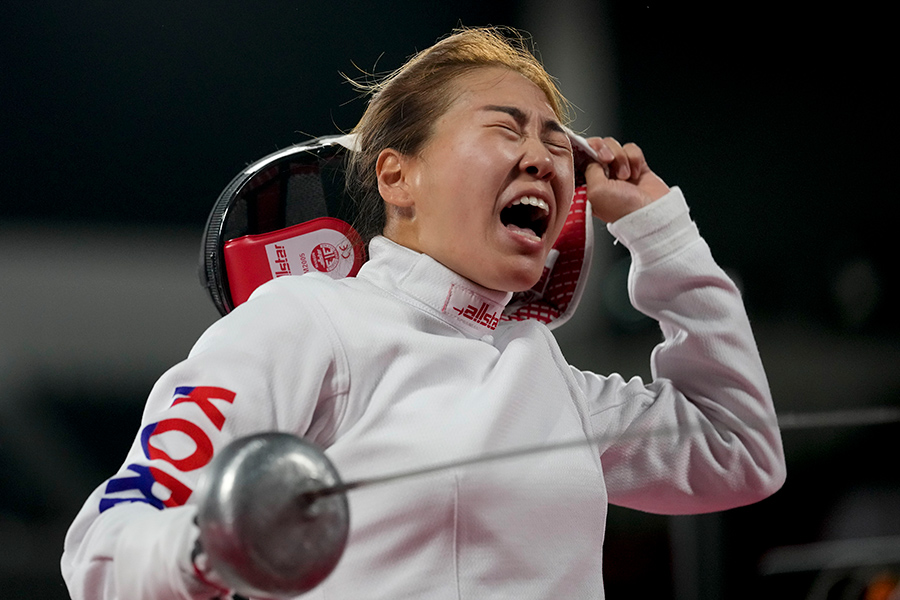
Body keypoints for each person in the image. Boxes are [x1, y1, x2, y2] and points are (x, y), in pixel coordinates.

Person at [61, 26, 786, 600]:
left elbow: (740, 452)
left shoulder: (548, 375)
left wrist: (664, 236)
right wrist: (205, 546)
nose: (542, 158)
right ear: (398, 176)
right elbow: (104, 549)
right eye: (507, 128)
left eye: (554, 142)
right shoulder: (304, 321)